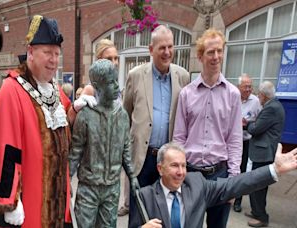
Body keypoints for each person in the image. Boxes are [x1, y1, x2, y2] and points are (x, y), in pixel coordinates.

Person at [0, 15, 72, 227]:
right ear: (30, 52)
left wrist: (78, 110)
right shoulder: (12, 90)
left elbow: (66, 132)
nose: (54, 60)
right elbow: (5, 151)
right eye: (47, 52)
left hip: (58, 198)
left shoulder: (54, 89)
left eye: (57, 54)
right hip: (29, 202)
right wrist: (9, 202)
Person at [129, 142, 297, 228]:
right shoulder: (144, 196)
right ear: (160, 168)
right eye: (174, 166)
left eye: (184, 165)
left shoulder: (196, 185)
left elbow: (234, 185)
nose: (181, 172)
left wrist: (274, 170)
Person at [173, 28, 242, 228]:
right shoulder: (187, 94)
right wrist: (179, 172)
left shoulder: (233, 95)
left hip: (220, 175)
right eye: (211, 52)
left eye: (219, 51)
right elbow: (179, 136)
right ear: (200, 56)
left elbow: (235, 140)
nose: (216, 56)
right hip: (192, 174)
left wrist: (234, 181)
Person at [123, 25, 190, 221]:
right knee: (139, 213)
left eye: (170, 47)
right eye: (162, 47)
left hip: (168, 160)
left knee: (164, 212)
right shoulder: (135, 76)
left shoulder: (182, 76)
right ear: (151, 49)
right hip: (143, 159)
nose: (167, 52)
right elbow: (125, 116)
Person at [69, 59, 138, 227]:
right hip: (88, 188)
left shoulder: (121, 115)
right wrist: (67, 179)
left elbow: (126, 148)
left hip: (112, 188)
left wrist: (132, 176)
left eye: (116, 80)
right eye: (110, 82)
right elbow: (75, 151)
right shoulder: (85, 115)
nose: (116, 86)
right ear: (97, 87)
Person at [244, 81, 285, 227]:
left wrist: (246, 124)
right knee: (258, 183)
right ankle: (257, 211)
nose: (257, 96)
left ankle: (261, 217)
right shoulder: (274, 105)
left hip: (263, 153)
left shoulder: (271, 108)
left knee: (259, 185)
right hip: (264, 151)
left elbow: (256, 129)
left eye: (259, 94)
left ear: (263, 95)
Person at [233, 74, 261, 213]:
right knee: (228, 168)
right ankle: (224, 195)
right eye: (246, 86)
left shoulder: (256, 101)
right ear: (239, 87)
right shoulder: (232, 97)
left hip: (246, 141)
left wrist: (248, 124)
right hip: (231, 140)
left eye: (250, 86)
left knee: (242, 171)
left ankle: (237, 201)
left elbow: (260, 121)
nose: (249, 89)